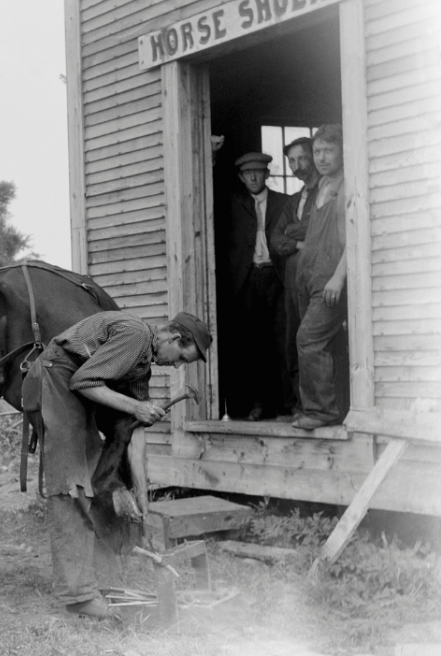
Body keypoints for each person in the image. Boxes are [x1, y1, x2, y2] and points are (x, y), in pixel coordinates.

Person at [26, 310, 211, 619]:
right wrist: (136, 406)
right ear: (174, 338)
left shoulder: (141, 369)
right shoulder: (137, 336)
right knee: (72, 485)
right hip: (56, 376)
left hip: (73, 388)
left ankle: (103, 576)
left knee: (104, 481)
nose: (177, 366)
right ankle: (79, 595)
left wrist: (142, 496)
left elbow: (134, 432)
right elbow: (82, 381)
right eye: (181, 357)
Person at [220, 152, 290, 420]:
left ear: (267, 174)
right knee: (250, 343)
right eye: (247, 173)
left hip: (278, 277)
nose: (252, 177)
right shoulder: (232, 203)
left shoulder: (283, 202)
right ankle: (255, 404)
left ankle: (284, 404)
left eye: (258, 172)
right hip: (246, 279)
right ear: (240, 176)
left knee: (281, 340)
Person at [293, 124, 349, 430]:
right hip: (309, 277)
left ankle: (321, 412)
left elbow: (354, 240)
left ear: (342, 151)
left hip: (329, 281)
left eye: (329, 150)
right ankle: (335, 408)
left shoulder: (346, 188)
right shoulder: (321, 186)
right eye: (317, 151)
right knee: (327, 344)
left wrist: (338, 279)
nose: (322, 157)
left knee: (309, 339)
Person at [269, 137, 320, 415]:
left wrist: (295, 230)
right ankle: (300, 404)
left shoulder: (327, 191)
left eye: (302, 158)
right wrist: (296, 240)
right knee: (294, 338)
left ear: (313, 156)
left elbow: (320, 229)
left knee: (316, 338)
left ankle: (321, 405)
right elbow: (276, 238)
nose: (297, 166)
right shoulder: (294, 200)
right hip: (293, 281)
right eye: (291, 161)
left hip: (318, 276)